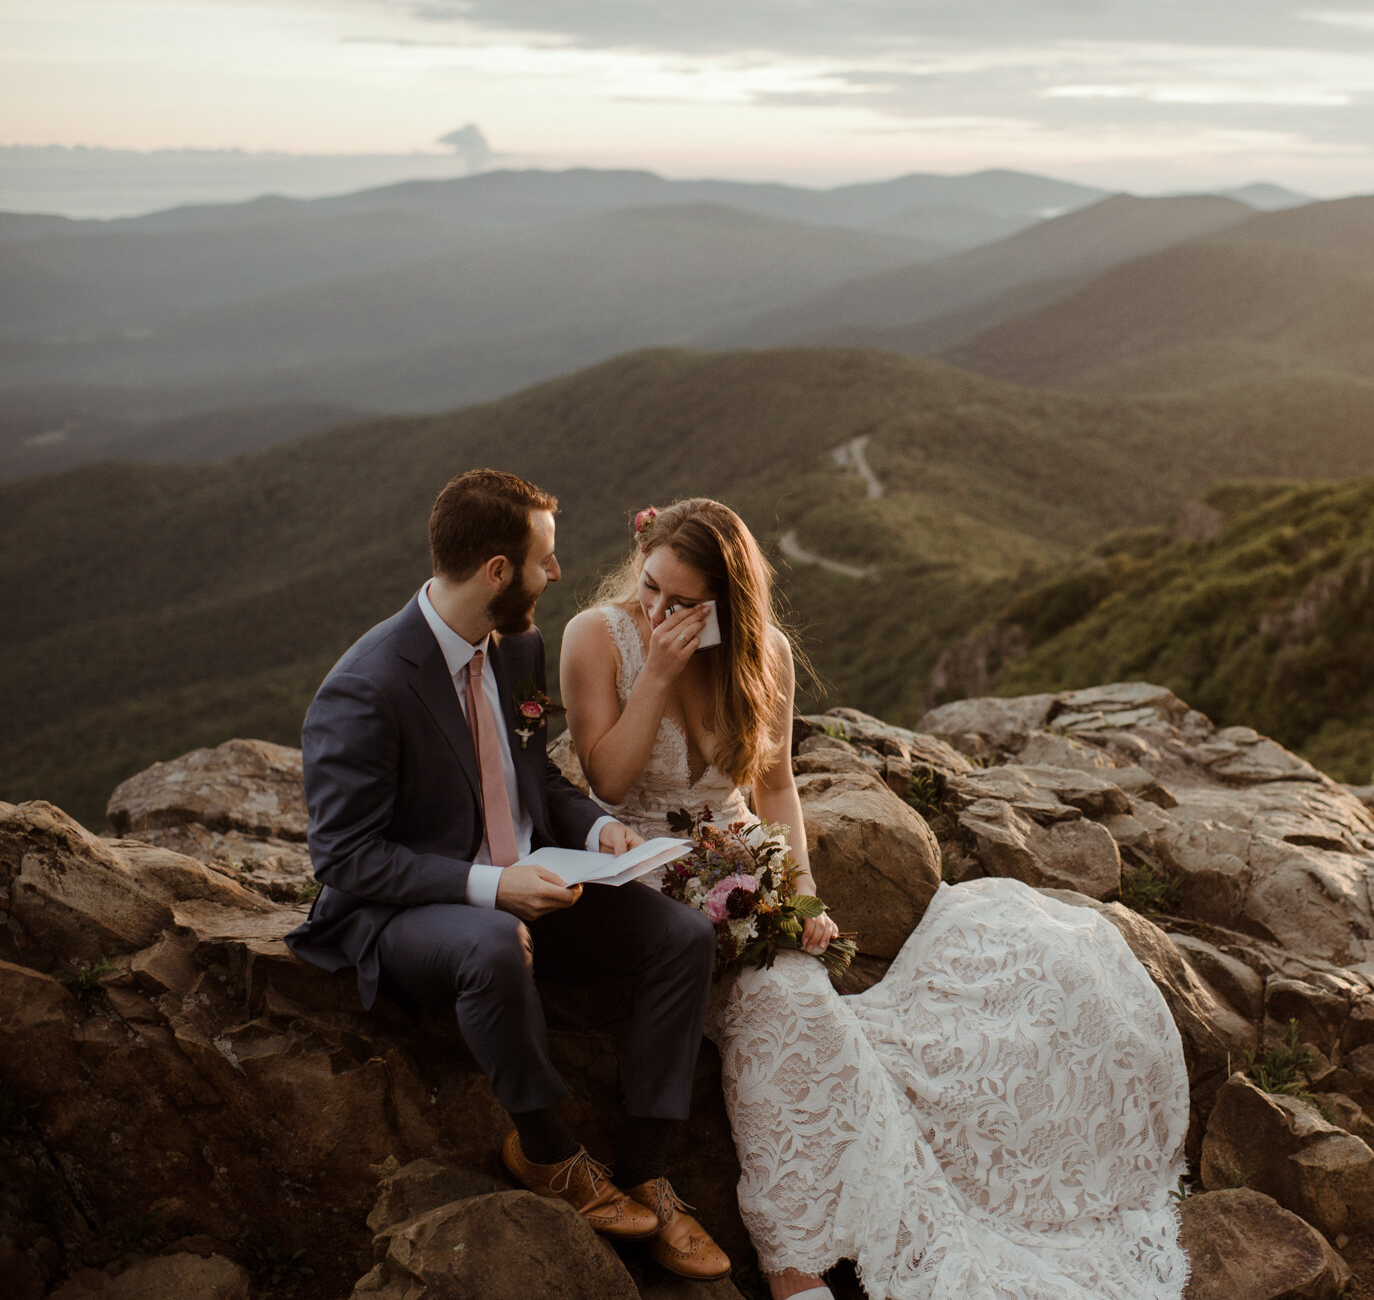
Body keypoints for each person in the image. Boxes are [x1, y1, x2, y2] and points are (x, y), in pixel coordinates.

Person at [561, 497, 1189, 1300]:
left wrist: (800, 899)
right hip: (646, 863)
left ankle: (802, 1261)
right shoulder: (597, 638)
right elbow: (607, 779)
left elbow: (776, 790)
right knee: (781, 1009)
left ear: (728, 604)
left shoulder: (765, 655)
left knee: (786, 998)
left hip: (741, 862)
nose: (659, 610)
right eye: (651, 586)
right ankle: (796, 1264)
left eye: (682, 603)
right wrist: (656, 669)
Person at [284, 469, 731, 1281]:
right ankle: (551, 1151)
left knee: (684, 933)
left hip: (536, 880)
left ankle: (644, 1166)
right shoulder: (366, 685)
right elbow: (345, 857)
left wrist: (597, 827)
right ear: (497, 570)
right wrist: (493, 888)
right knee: (495, 944)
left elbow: (538, 779)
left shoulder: (517, 644)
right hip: (413, 911)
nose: (557, 573)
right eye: (544, 559)